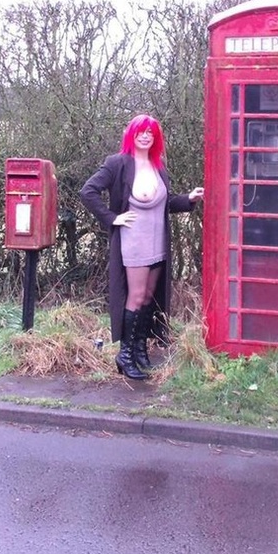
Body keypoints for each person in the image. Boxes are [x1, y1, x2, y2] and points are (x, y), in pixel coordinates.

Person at [80, 114, 204, 380]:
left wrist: (189, 199)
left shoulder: (159, 166)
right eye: (141, 132)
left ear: (156, 137)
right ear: (132, 135)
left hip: (157, 240)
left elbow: (165, 203)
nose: (146, 136)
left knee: (148, 296)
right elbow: (88, 192)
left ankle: (140, 350)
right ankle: (124, 355)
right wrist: (112, 218)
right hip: (133, 241)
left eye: (151, 132)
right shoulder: (118, 164)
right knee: (135, 297)